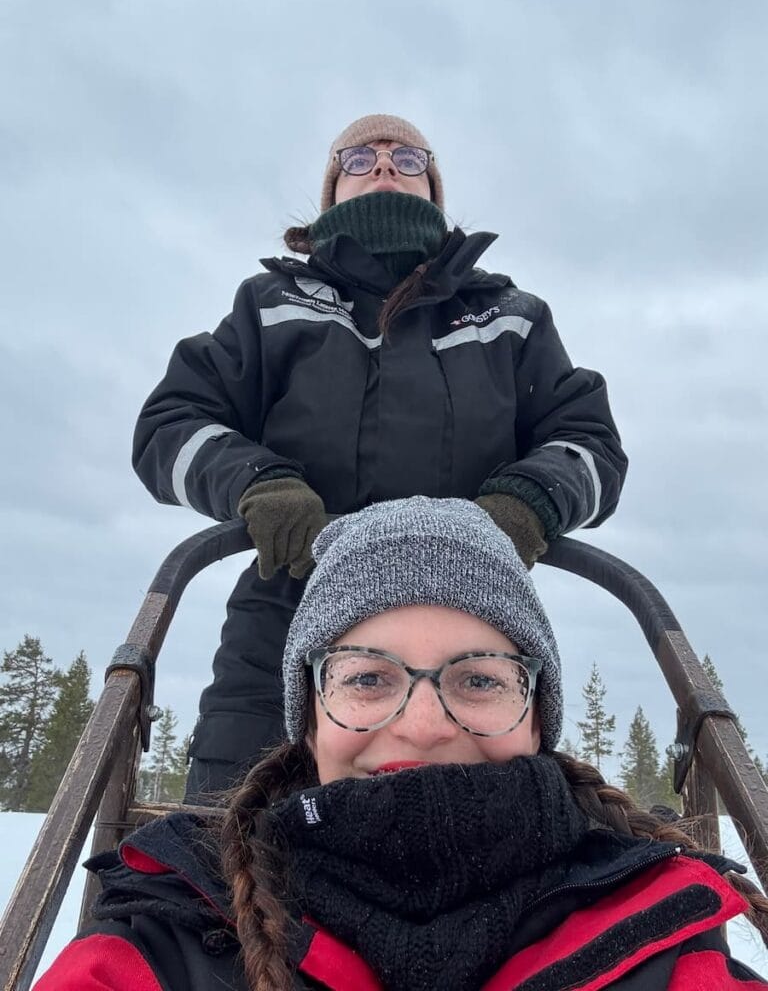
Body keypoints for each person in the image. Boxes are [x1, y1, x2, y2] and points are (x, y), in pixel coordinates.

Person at [35, 498, 768, 991]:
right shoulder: (168, 934)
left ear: (538, 718)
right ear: (308, 716)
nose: (422, 727)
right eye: (366, 678)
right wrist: (255, 481)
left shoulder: (661, 932)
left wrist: (537, 494)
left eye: (479, 679)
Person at [132, 113, 628, 799]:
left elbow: (589, 441)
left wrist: (528, 503)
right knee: (230, 830)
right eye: (360, 158)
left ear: (434, 188)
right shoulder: (270, 306)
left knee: (484, 829)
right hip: (286, 612)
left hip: (471, 617)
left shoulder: (510, 316)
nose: (386, 165)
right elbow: (171, 423)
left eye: (408, 157)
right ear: (333, 189)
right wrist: (259, 484)